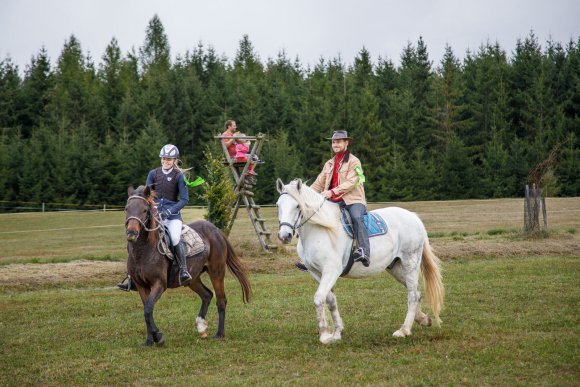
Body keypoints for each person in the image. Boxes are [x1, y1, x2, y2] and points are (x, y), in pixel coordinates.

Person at [117, 144, 192, 291]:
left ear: (175, 160)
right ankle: (132, 277)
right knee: (137, 237)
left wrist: (170, 212)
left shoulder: (179, 176)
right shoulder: (153, 173)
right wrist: (152, 208)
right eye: (164, 158)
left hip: (172, 216)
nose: (166, 161)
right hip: (155, 215)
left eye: (169, 159)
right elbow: (146, 194)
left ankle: (183, 270)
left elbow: (184, 200)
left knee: (175, 238)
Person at [310, 130, 370, 266]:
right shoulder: (329, 164)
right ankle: (313, 258)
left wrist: (332, 192)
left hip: (353, 200)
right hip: (333, 202)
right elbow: (318, 183)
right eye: (333, 142)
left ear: (346, 143)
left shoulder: (354, 161)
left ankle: (364, 251)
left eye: (338, 142)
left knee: (356, 217)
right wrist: (306, 195)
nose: (335, 144)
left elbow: (352, 182)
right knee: (315, 218)